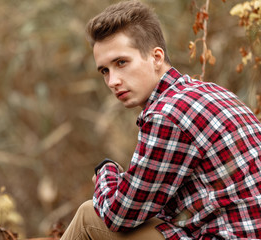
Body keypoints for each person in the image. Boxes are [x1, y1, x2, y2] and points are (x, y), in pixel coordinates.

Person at [60, 1, 261, 239]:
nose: (112, 81)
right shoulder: (209, 91)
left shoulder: (167, 116)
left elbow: (119, 216)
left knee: (87, 217)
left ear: (156, 57)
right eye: (105, 70)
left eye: (121, 63)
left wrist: (106, 171)